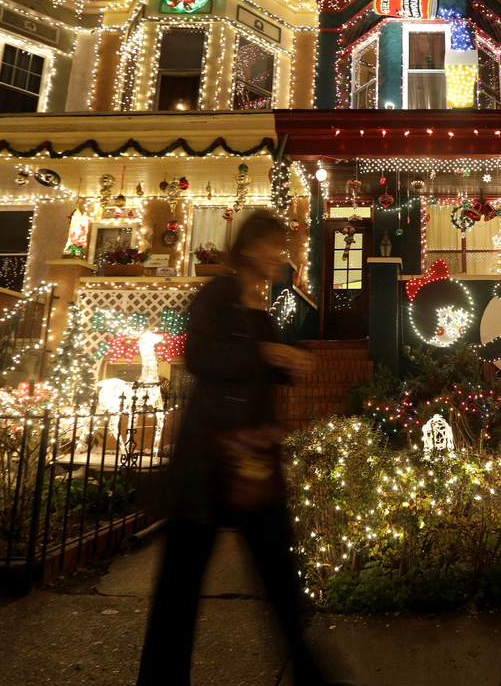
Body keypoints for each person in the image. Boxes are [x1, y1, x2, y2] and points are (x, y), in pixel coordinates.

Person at [137, 210, 333, 686]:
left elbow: (264, 366)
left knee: (280, 578)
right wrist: (266, 354)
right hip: (206, 463)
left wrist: (291, 361)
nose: (279, 256)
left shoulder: (261, 308)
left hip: (251, 462)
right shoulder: (218, 294)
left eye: (282, 247)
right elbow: (201, 356)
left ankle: (309, 673)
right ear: (249, 248)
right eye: (273, 246)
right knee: (179, 586)